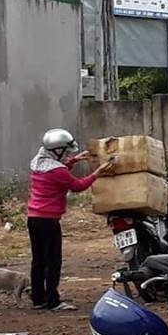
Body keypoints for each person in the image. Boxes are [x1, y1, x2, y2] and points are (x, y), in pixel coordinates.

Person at [26, 128, 110, 311]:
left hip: (34, 218)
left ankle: (38, 299)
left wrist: (75, 160)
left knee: (38, 261)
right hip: (49, 220)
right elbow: (77, 186)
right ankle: (53, 300)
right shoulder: (58, 171)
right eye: (66, 152)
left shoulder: (38, 162)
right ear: (57, 150)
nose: (67, 156)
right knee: (53, 261)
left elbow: (59, 172)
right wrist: (98, 173)